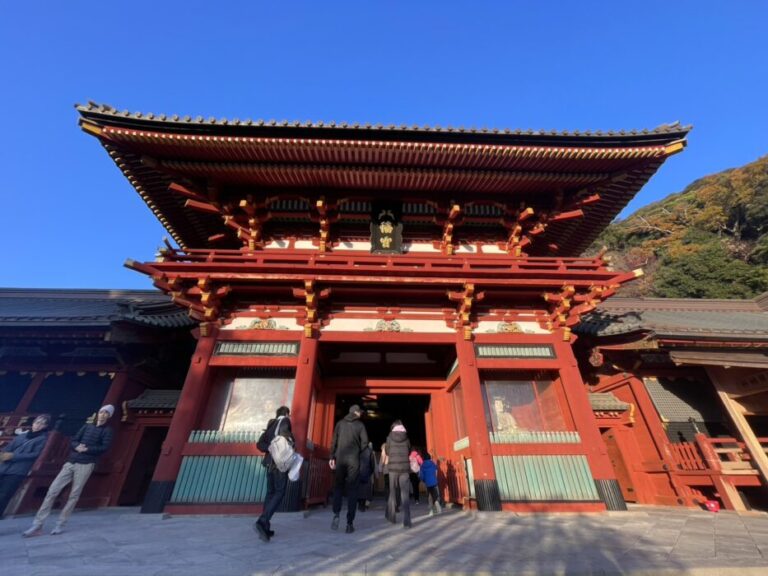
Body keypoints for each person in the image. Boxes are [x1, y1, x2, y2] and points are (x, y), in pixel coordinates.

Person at [22, 405, 114, 536]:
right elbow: (74, 439)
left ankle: (61, 523)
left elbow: (105, 447)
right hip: (71, 461)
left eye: (106, 413)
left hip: (86, 463)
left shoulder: (108, 431)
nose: (103, 414)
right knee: (52, 491)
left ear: (109, 416)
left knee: (74, 494)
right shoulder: (87, 426)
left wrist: (88, 449)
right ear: (97, 413)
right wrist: (77, 447)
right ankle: (38, 524)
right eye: (101, 412)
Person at [254, 405, 293, 543]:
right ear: (287, 414)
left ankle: (265, 526)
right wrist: (291, 441)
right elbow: (285, 436)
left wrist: (270, 448)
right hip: (278, 464)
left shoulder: (271, 424)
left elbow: (259, 444)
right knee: (280, 492)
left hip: (269, 463)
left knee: (270, 493)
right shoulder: (285, 422)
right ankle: (262, 520)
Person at [0, 414, 51, 517]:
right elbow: (9, 447)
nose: (38, 425)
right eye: (37, 422)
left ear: (45, 426)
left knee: (4, 495)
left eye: (42, 424)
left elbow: (35, 454)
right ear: (33, 423)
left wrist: (13, 456)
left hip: (18, 470)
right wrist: (4, 454)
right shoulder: (22, 436)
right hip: (4, 467)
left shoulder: (42, 439)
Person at [329, 404, 369, 533]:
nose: (361, 414)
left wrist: (331, 457)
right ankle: (349, 523)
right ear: (356, 412)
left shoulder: (340, 424)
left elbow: (333, 441)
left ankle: (336, 513)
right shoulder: (360, 425)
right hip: (353, 460)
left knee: (338, 487)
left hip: (340, 459)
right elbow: (365, 443)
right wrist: (358, 452)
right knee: (353, 489)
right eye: (360, 412)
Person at [385, 420, 412, 528]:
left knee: (392, 493)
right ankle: (407, 521)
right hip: (404, 469)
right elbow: (409, 451)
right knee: (405, 495)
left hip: (393, 469)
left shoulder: (389, 438)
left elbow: (387, 451)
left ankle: (392, 517)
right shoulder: (406, 438)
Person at [418, 452, 441, 516]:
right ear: (429, 457)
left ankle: (431, 512)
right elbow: (436, 471)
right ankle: (437, 505)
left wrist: (424, 480)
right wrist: (435, 478)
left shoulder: (422, 466)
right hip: (434, 482)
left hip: (427, 484)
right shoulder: (433, 463)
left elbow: (421, 476)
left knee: (429, 497)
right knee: (436, 495)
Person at [357, 441, 376, 512]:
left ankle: (359, 504)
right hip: (366, 473)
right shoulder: (370, 451)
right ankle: (362, 505)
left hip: (358, 472)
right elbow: (372, 464)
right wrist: (370, 471)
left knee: (358, 489)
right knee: (365, 490)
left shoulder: (357, 450)